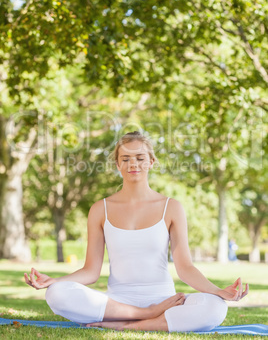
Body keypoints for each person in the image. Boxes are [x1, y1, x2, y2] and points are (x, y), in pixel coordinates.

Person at [24, 131, 248, 333]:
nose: (134, 164)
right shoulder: (99, 209)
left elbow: (185, 268)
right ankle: (146, 315)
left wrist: (219, 291)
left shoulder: (171, 207)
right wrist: (55, 281)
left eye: (140, 158)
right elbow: (91, 271)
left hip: (164, 299)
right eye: (126, 159)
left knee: (215, 308)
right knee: (56, 294)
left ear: (151, 162)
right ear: (117, 164)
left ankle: (134, 324)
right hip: (118, 302)